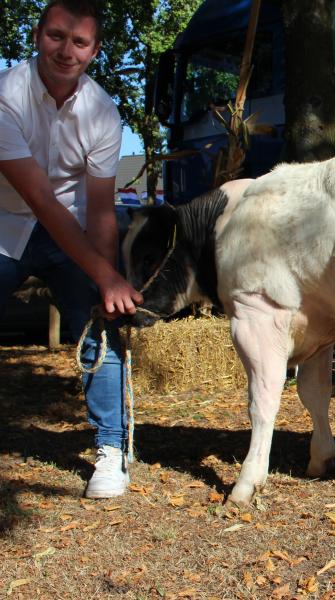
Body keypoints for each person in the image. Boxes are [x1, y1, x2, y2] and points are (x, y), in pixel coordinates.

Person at [0, 0, 143, 498]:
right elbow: (38, 198)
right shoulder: (5, 96)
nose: (66, 50)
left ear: (94, 50)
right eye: (56, 36)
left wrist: (104, 276)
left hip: (73, 231)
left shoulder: (103, 111)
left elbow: (101, 209)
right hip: (5, 225)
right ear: (38, 35)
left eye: (79, 42)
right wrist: (105, 274)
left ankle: (110, 449)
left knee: (98, 324)